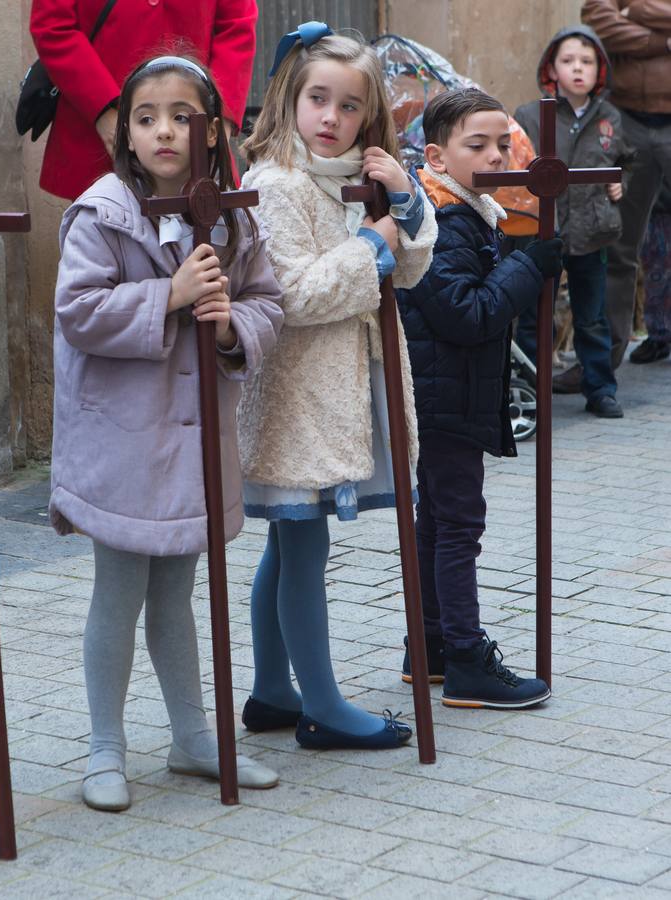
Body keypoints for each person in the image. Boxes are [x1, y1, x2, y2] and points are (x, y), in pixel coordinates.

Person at [50, 55, 284, 811]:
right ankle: (104, 748)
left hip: (193, 440)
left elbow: (265, 302)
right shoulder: (103, 211)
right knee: (117, 593)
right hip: (121, 439)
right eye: (145, 116)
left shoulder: (232, 213)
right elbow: (77, 311)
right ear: (125, 128)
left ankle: (192, 739)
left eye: (179, 116)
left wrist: (227, 329)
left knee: (178, 593)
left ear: (210, 129)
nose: (161, 131)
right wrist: (169, 294)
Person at [235, 25, 436, 750]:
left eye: (349, 106)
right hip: (296, 390)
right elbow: (293, 295)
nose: (331, 117)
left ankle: (269, 690)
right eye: (317, 99)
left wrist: (403, 205)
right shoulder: (276, 184)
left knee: (287, 547)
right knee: (302, 544)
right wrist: (371, 245)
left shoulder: (356, 177)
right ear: (290, 98)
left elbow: (407, 272)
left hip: (343, 384)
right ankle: (322, 707)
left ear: (368, 118)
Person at [396, 88, 558, 710]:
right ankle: (464, 658)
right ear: (437, 157)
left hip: (446, 397)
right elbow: (467, 314)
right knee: (458, 525)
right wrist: (527, 268)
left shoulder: (467, 212)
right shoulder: (445, 222)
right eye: (477, 145)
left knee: (438, 522)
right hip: (445, 401)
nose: (495, 155)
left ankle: (431, 647)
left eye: (502, 143)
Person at [30, 0, 257, 200]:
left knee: (208, 239)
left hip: (194, 130)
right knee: (105, 239)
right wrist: (104, 114)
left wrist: (219, 122)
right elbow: (53, 27)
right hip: (102, 131)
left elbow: (237, 27)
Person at [514, 26, 628, 418]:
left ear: (601, 70)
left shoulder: (611, 118)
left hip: (593, 233)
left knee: (592, 316)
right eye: (568, 61)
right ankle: (531, 390)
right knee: (534, 313)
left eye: (587, 61)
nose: (578, 69)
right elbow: (517, 164)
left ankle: (599, 388)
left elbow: (625, 163)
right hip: (543, 230)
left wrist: (620, 184)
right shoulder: (531, 115)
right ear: (551, 69)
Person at [581, 0, 671, 367]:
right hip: (627, 119)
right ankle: (605, 360)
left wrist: (636, 11)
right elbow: (601, 22)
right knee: (618, 243)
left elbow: (621, 25)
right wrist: (663, 42)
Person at [638, 182, 671, 358]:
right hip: (656, 205)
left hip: (660, 206)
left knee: (658, 275)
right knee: (656, 275)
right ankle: (659, 335)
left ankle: (660, 336)